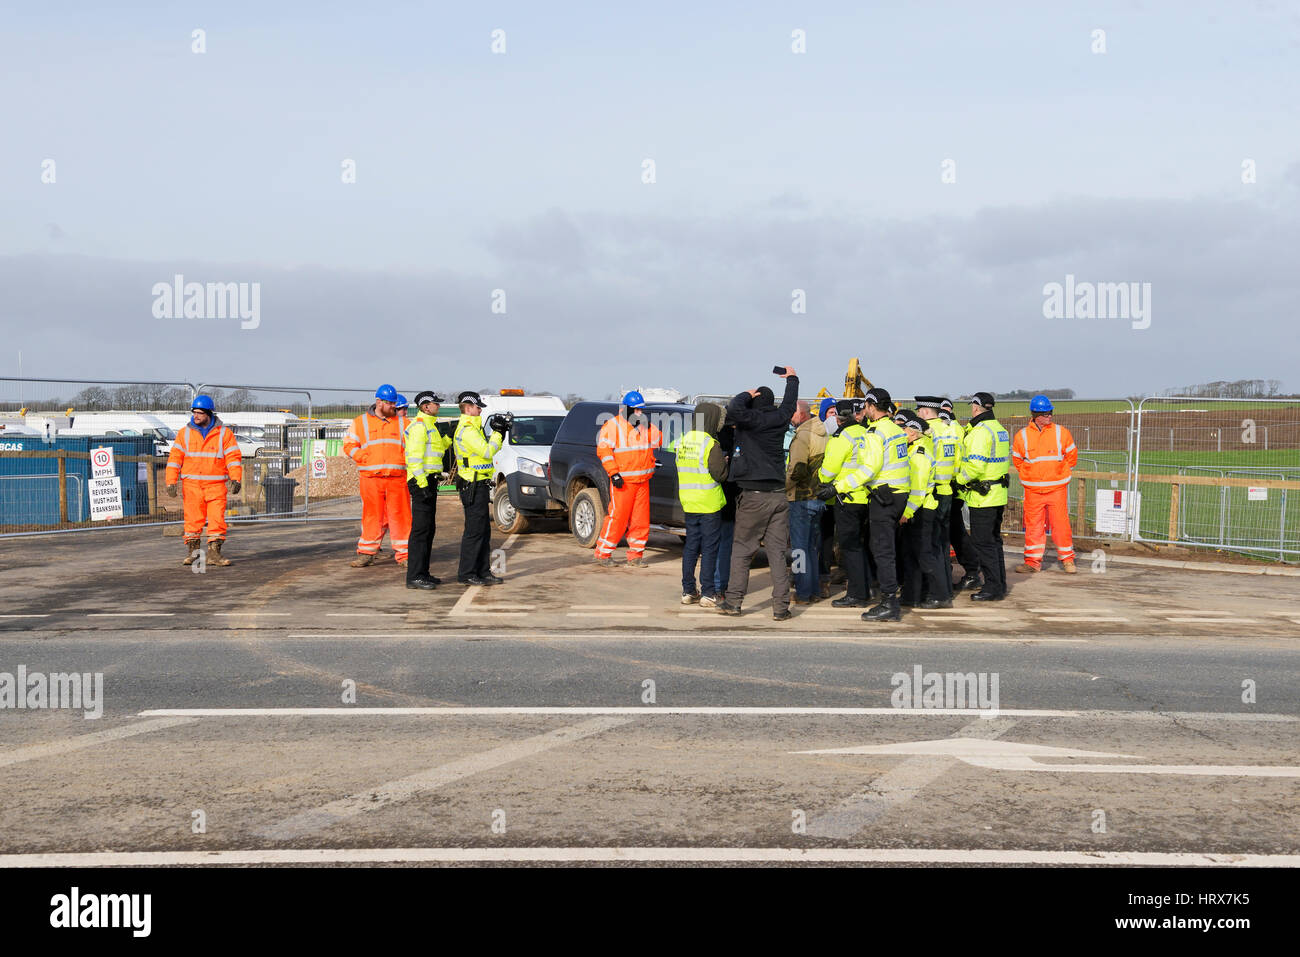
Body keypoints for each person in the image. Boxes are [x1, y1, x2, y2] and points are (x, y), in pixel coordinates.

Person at [718, 366, 800, 619]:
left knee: (742, 550)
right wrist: (793, 379)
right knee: (777, 553)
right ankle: (781, 608)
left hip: (753, 495)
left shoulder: (748, 419)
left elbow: (733, 409)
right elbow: (789, 404)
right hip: (778, 494)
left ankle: (733, 602)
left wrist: (745, 394)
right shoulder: (780, 418)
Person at [840, 389, 910, 622]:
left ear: (871, 405)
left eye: (865, 406)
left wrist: (839, 487)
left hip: (883, 498)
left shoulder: (875, 432)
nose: (864, 410)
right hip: (899, 495)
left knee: (882, 551)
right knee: (887, 549)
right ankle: (890, 598)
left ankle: (889, 603)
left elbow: (869, 469)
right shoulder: (896, 430)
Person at [165, 394, 242, 567]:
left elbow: (233, 458)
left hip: (216, 487)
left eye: (199, 413)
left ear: (209, 414)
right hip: (191, 487)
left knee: (216, 520)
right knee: (192, 521)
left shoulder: (224, 434)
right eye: (194, 413)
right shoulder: (184, 434)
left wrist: (236, 478)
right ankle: (194, 554)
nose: (195, 416)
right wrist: (171, 481)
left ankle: (214, 554)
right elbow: (174, 459)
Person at [344, 384, 411, 567]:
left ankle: (404, 555)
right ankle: (366, 553)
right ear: (379, 402)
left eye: (394, 404)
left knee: (401, 517)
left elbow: (414, 446)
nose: (393, 407)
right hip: (371, 479)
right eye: (390, 404)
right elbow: (349, 445)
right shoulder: (360, 422)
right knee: (372, 516)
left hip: (397, 478)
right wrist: (362, 457)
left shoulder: (403, 423)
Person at [594, 391, 663, 567]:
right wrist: (614, 473)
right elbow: (604, 451)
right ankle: (603, 553)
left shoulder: (644, 425)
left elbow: (659, 441)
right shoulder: (612, 426)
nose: (640, 413)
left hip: (642, 481)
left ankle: (636, 556)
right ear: (627, 409)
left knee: (640, 521)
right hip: (623, 482)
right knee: (618, 518)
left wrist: (648, 427)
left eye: (641, 410)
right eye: (637, 409)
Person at [1012, 394, 1079, 574]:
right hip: (1033, 490)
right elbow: (1017, 461)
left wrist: (1056, 473)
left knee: (1061, 525)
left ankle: (1067, 560)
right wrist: (1033, 475)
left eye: (1050, 413)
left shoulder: (1061, 432)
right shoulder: (1022, 436)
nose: (1049, 416)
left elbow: (1072, 458)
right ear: (1035, 415)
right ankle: (1032, 562)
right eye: (1045, 413)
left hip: (1056, 489)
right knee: (1033, 526)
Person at [817, 398, 873, 608]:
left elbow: (828, 472)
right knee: (861, 545)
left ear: (838, 419)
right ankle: (866, 588)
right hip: (865, 497)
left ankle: (856, 595)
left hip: (846, 497)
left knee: (850, 547)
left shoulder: (840, 438)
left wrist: (821, 479)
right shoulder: (866, 433)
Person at [955, 391, 1012, 600]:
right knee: (994, 541)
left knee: (982, 542)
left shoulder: (980, 431)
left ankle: (992, 588)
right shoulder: (999, 429)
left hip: (983, 496)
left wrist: (958, 480)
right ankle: (999, 584)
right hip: (998, 494)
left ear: (976, 407)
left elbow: (975, 467)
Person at [672, 402, 727, 604]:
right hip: (709, 503)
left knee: (691, 547)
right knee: (709, 548)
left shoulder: (682, 441)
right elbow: (720, 474)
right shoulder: (709, 443)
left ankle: (688, 591)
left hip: (689, 502)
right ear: (712, 419)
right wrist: (725, 462)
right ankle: (707, 592)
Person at [453, 391, 508, 585]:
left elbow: (487, 450)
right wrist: (498, 433)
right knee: (474, 532)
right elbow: (487, 451)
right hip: (473, 486)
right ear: (468, 408)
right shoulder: (468, 430)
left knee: (483, 531)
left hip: (478, 485)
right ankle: (467, 573)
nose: (480, 411)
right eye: (478, 408)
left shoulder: (473, 429)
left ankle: (482, 571)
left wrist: (498, 434)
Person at [895, 410, 948, 609]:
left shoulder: (920, 455)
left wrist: (906, 514)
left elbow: (918, 490)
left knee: (924, 555)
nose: (903, 434)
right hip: (917, 510)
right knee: (911, 555)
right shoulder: (914, 450)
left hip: (921, 511)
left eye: (905, 431)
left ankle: (939, 595)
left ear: (915, 433)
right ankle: (911, 595)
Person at [403, 391, 452, 590]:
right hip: (421, 482)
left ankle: (423, 572)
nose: (438, 406)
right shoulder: (419, 427)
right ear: (425, 407)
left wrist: (450, 437)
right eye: (435, 404)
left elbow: (437, 450)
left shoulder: (430, 426)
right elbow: (414, 459)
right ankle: (414, 576)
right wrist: (422, 485)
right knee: (420, 531)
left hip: (429, 481)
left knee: (429, 530)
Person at [786, 399, 829, 604]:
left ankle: (802, 593)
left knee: (799, 549)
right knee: (812, 548)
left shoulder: (802, 437)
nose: (789, 417)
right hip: (818, 498)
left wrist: (782, 487)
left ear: (801, 414)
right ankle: (813, 590)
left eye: (792, 414)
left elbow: (797, 469)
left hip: (801, 498)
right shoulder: (822, 433)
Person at [915, 397, 957, 604]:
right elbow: (957, 461)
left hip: (933, 493)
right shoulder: (949, 429)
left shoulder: (927, 431)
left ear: (924, 412)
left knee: (931, 547)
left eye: (919, 411)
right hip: (948, 488)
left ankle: (936, 594)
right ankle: (946, 589)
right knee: (942, 544)